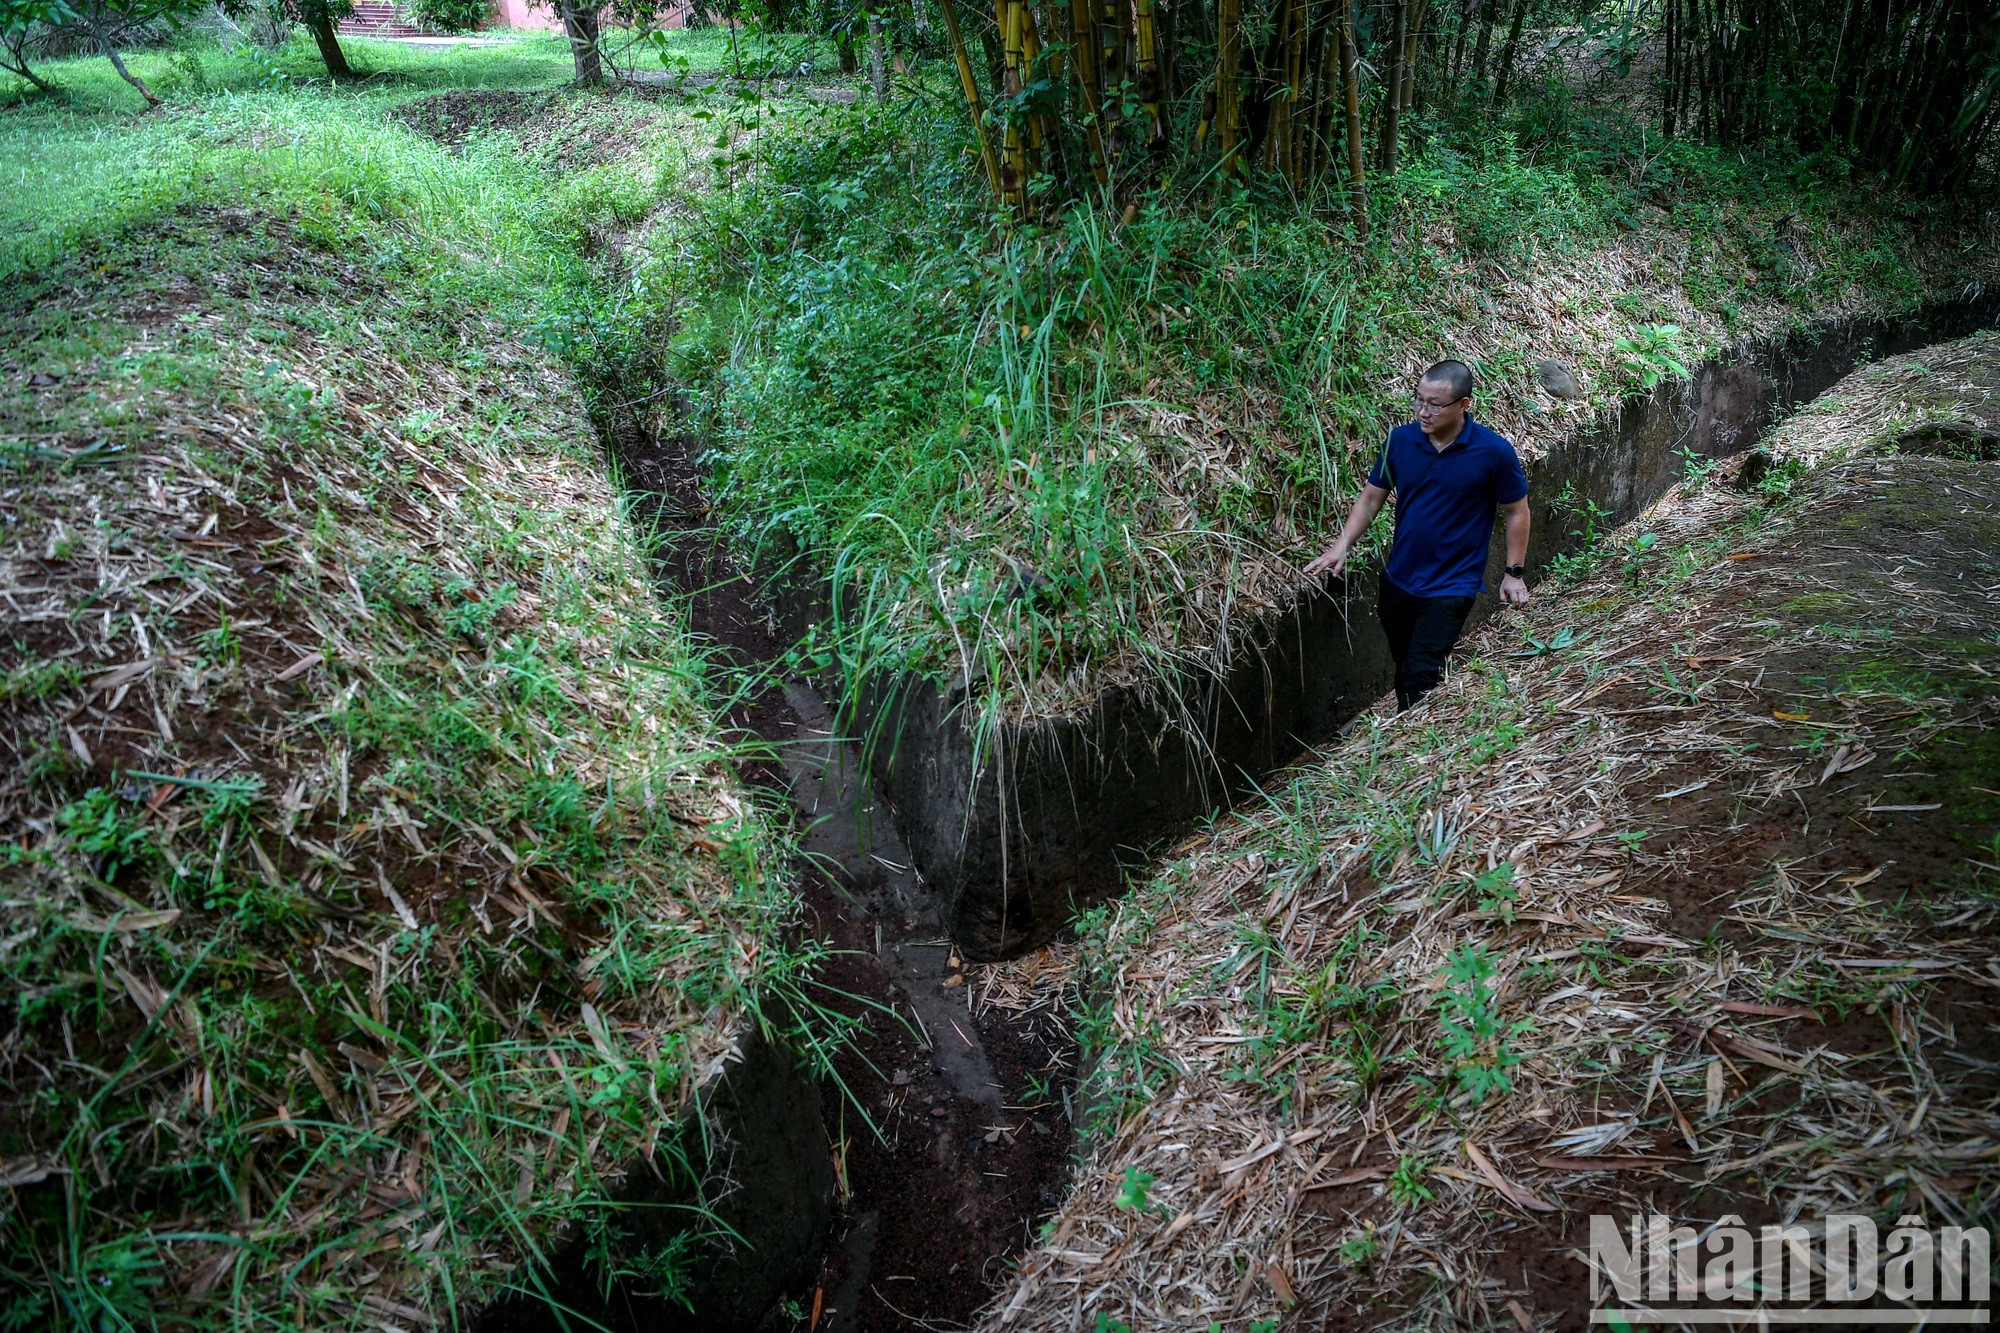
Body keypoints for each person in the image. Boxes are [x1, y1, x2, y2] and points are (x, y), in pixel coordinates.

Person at [1304, 360, 1531, 711]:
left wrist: (1513, 573)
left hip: (1453, 585)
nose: (1423, 412)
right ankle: (1414, 734)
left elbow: (1517, 510)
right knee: (1405, 667)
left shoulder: (1493, 452)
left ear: (1463, 405)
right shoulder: (1400, 441)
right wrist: (1341, 546)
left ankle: (1414, 754)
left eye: (1435, 404)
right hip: (1399, 580)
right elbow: (1371, 496)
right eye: (1419, 400)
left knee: (1420, 676)